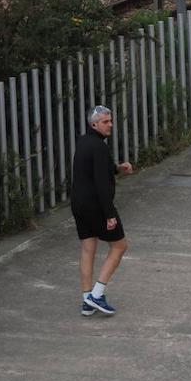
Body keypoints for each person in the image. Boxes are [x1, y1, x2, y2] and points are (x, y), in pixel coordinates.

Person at [71, 105, 133, 317]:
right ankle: (97, 294)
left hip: (79, 205)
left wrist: (117, 168)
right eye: (106, 122)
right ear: (94, 124)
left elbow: (94, 169)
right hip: (96, 206)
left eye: (110, 121)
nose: (110, 125)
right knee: (120, 246)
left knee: (88, 249)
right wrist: (109, 215)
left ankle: (87, 301)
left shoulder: (83, 142)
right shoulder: (99, 147)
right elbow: (101, 183)